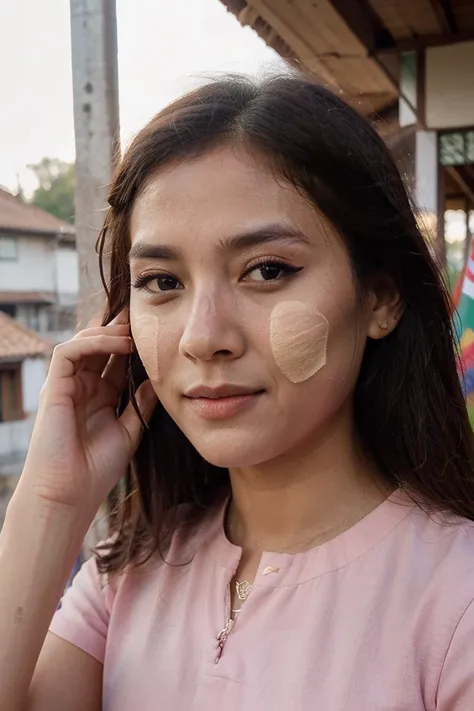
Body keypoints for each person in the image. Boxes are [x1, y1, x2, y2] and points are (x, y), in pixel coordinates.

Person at [1, 73, 474, 711]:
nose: (203, 338)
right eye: (163, 282)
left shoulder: (456, 601)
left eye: (267, 270)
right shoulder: (124, 577)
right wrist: (53, 502)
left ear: (381, 297)